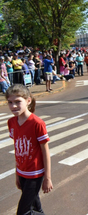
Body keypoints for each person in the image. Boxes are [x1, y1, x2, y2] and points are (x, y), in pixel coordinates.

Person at [6, 84, 53, 215]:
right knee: (35, 207)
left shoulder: (37, 123)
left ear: (28, 101)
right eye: (10, 102)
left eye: (17, 102)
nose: (13, 106)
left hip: (35, 174)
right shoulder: (11, 122)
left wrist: (47, 178)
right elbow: (18, 150)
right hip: (22, 173)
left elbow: (45, 151)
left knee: (23, 212)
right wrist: (17, 174)